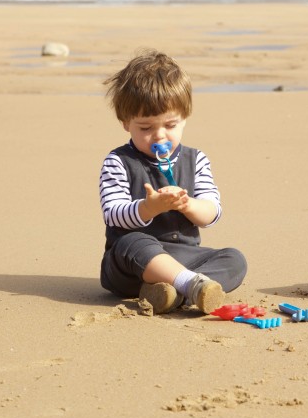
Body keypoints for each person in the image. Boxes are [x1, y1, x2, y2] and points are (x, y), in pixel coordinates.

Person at [98, 49, 247, 314]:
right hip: (131, 266)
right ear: (125, 123)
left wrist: (187, 204)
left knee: (234, 259)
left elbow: (212, 211)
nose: (159, 136)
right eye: (145, 128)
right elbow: (113, 213)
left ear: (185, 118)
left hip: (184, 258)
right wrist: (149, 208)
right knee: (132, 242)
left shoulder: (196, 159)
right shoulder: (117, 162)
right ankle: (191, 285)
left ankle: (175, 293)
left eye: (170, 125)